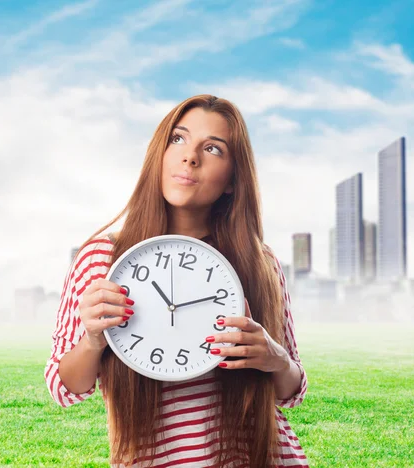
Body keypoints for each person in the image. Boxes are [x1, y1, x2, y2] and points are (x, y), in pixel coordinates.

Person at [44, 95, 309, 467]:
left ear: (233, 179)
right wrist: (92, 339)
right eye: (178, 139)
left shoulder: (260, 262)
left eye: (213, 148)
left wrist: (275, 358)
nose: (190, 157)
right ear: (160, 154)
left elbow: (290, 393)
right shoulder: (103, 259)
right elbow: (63, 388)